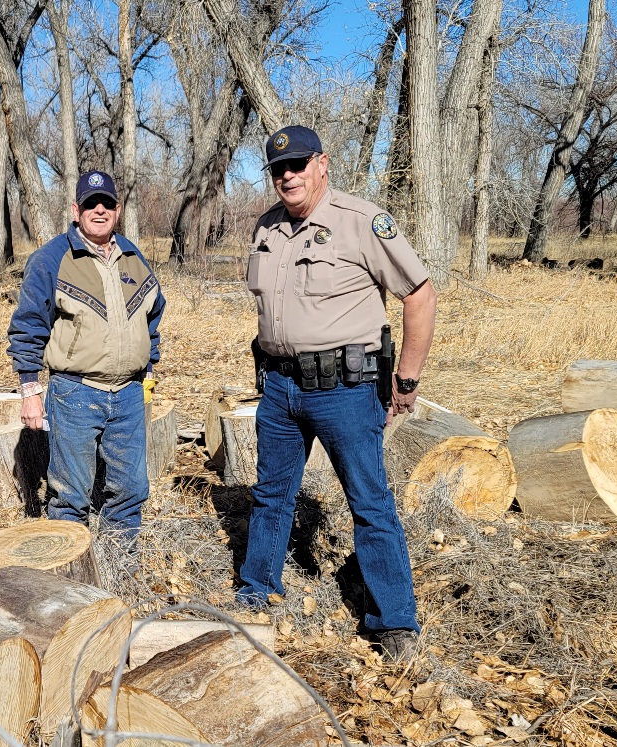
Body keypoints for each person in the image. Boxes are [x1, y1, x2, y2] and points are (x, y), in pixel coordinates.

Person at [239, 125, 437, 660]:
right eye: (279, 169)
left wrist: (409, 378)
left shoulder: (360, 222)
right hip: (278, 386)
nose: (288, 175)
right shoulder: (266, 228)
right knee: (271, 494)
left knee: (369, 501)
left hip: (346, 390)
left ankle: (393, 620)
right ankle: (256, 592)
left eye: (298, 165)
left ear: (322, 165)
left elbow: (419, 294)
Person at [6, 170, 165, 540]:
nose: (99, 209)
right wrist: (30, 391)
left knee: (129, 492)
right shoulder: (51, 259)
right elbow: (28, 326)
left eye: (106, 203)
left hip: (129, 394)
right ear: (76, 210)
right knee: (69, 496)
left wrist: (150, 366)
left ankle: (119, 572)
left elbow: (154, 313)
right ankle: (71, 585)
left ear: (117, 209)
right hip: (75, 393)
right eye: (90, 203)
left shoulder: (132, 255)